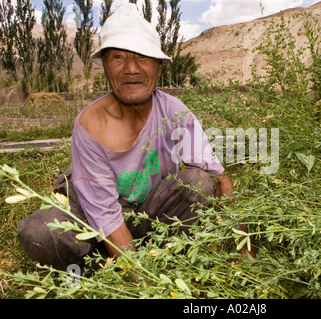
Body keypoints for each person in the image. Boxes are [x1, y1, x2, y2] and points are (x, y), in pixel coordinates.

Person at [17, 3, 255, 271]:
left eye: (143, 57)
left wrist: (244, 249)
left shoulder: (174, 113)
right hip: (92, 213)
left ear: (158, 66)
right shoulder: (90, 125)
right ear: (104, 66)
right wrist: (141, 279)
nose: (131, 68)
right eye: (118, 57)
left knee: (198, 182)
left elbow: (220, 178)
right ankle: (100, 264)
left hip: (146, 211)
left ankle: (161, 255)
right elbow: (104, 213)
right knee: (39, 232)